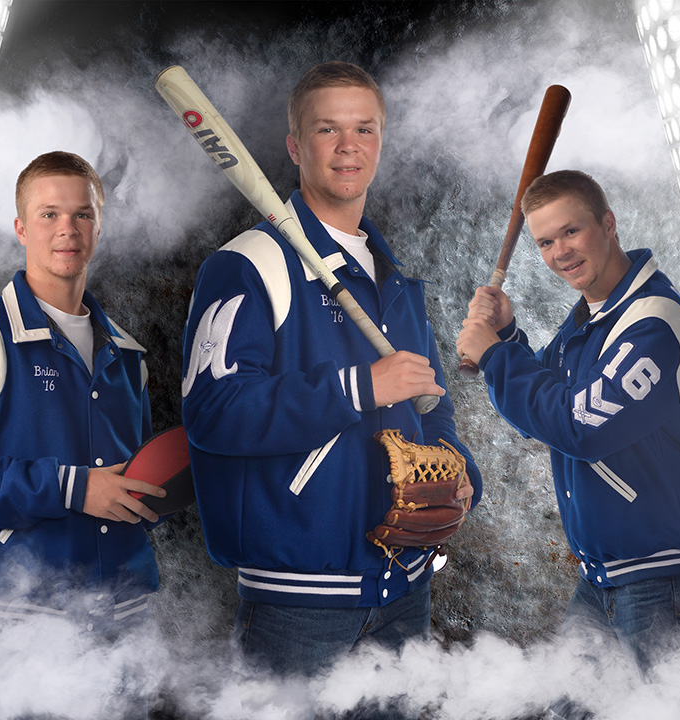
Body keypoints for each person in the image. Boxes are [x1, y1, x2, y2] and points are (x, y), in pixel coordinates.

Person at [181, 61, 482, 682]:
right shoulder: (249, 265)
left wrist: (458, 470)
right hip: (299, 600)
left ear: (380, 142)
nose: (349, 146)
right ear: (296, 146)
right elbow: (214, 412)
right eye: (327, 130)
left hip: (406, 587)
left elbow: (432, 402)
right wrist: (360, 387)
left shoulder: (395, 282)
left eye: (365, 129)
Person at [455, 170, 680, 701]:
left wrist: (495, 354)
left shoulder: (652, 322)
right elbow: (541, 408)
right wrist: (509, 336)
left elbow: (577, 426)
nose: (560, 252)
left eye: (571, 232)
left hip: (664, 577)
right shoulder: (590, 317)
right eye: (545, 241)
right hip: (604, 577)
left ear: (607, 224)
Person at [0, 151, 166, 713]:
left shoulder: (127, 354)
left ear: (99, 225)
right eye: (48, 214)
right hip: (18, 624)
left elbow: (129, 481)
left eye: (82, 214)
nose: (67, 229)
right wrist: (73, 488)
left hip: (124, 619)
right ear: (20, 226)